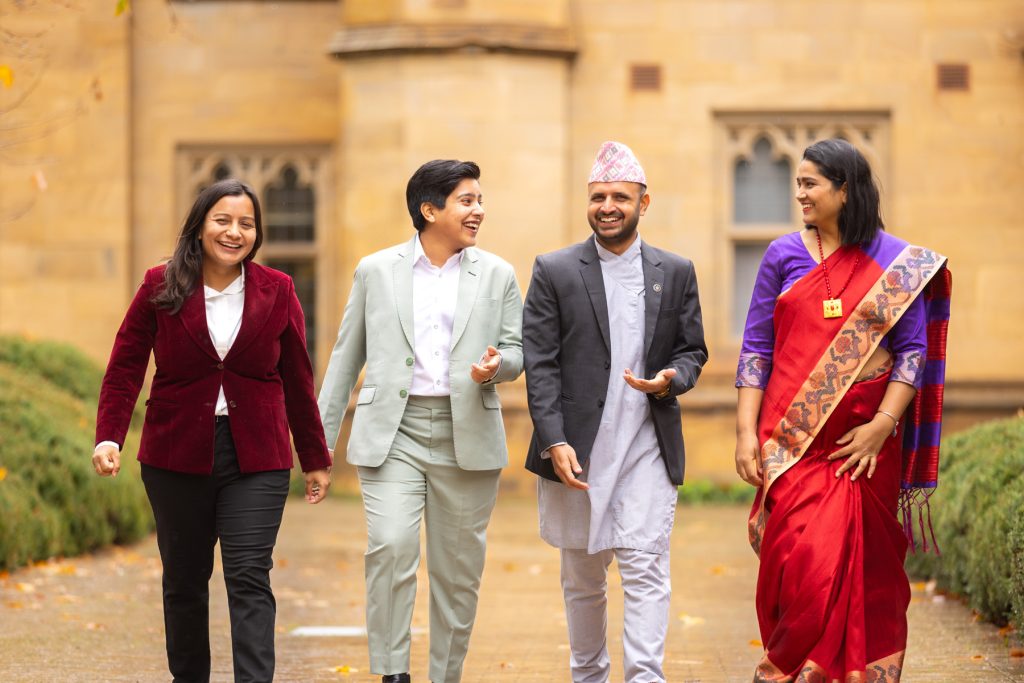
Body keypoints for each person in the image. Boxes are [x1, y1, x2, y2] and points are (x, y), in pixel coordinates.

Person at [92, 179, 333, 682]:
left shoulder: (278, 289)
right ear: (200, 226)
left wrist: (314, 457)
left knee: (249, 576)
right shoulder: (160, 286)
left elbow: (297, 376)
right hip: (175, 455)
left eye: (246, 223)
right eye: (223, 220)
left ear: (257, 232)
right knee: (184, 581)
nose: (234, 232)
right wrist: (110, 435)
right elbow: (125, 366)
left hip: (258, 457)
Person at [734, 138, 951, 682]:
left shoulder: (896, 263)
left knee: (863, 569)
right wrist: (744, 433)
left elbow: (912, 353)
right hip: (791, 442)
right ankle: (794, 664)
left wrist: (882, 426)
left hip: (863, 453)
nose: (799, 193)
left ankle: (841, 671)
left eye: (810, 183)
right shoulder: (782, 255)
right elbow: (757, 348)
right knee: (798, 561)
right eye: (798, 182)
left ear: (845, 189)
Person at [318, 159, 523, 683]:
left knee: (457, 574)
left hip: (468, 434)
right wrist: (317, 446)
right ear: (430, 210)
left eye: (480, 200)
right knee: (390, 545)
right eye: (467, 201)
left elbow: (521, 349)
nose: (479, 211)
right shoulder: (375, 270)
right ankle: (392, 673)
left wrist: (499, 365)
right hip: (393, 432)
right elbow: (345, 358)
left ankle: (444, 675)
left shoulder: (497, 273)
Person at [523, 140, 708, 683]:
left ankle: (645, 677)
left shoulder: (675, 271)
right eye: (598, 196)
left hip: (646, 444)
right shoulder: (554, 270)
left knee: (646, 568)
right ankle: (588, 675)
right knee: (582, 577)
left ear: (643, 204)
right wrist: (554, 440)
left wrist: (673, 378)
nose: (607, 206)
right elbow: (541, 362)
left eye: (620, 197)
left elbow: (692, 349)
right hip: (576, 452)